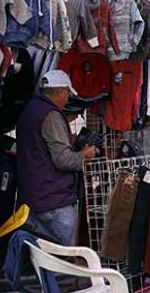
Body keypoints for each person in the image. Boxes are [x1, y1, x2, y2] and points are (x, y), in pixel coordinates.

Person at [16, 70, 97, 245]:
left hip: (32, 198)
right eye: (68, 93)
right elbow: (63, 160)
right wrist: (85, 155)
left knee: (43, 259)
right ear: (61, 91)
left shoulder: (30, 110)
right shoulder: (51, 115)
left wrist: (68, 140)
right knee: (65, 260)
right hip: (54, 200)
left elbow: (38, 147)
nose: (68, 99)